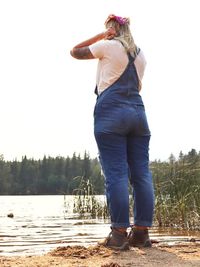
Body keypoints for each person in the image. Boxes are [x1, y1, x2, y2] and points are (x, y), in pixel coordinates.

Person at [70, 14, 154, 250]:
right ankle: (141, 233)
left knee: (116, 173)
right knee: (141, 174)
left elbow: (75, 51)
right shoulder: (140, 54)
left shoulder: (107, 46)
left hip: (112, 111)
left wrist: (100, 36)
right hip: (138, 113)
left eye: (107, 29)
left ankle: (118, 235)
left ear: (113, 30)